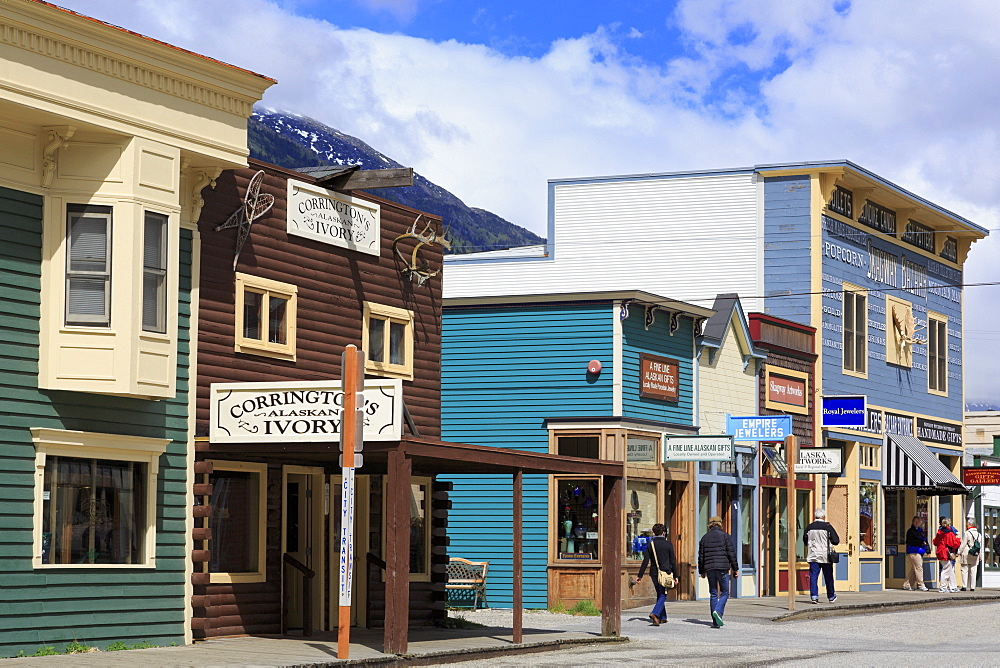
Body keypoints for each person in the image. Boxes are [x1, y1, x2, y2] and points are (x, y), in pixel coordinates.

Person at [698, 516, 739, 628]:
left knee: (714, 593)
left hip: (710, 568)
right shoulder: (726, 537)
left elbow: (701, 556)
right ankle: (719, 612)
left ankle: (715, 621)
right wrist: (735, 569)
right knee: (725, 592)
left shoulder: (704, 538)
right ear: (720, 524)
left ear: (710, 525)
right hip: (723, 568)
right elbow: (731, 554)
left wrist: (701, 571)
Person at [636, 522, 677, 626]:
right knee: (663, 594)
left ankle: (662, 617)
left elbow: (645, 561)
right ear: (663, 532)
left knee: (660, 593)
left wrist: (639, 575)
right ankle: (655, 613)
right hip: (665, 572)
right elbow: (673, 561)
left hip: (654, 572)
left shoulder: (651, 544)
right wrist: (676, 576)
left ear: (654, 532)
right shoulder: (668, 544)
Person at [804, 508, 840, 604]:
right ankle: (831, 596)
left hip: (813, 555)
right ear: (823, 516)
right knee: (828, 576)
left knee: (813, 576)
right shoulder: (827, 526)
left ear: (815, 516)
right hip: (825, 555)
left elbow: (805, 540)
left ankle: (814, 596)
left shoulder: (809, 527)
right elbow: (836, 540)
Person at [932, 517, 961, 592]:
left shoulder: (939, 532)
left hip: (940, 551)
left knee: (950, 569)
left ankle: (953, 586)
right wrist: (958, 539)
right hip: (946, 552)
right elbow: (954, 544)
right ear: (949, 524)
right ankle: (943, 587)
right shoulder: (949, 533)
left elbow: (935, 542)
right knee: (946, 569)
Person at [903, 516, 929, 591]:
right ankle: (921, 585)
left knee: (914, 569)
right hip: (913, 551)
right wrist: (921, 542)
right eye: (915, 521)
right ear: (913, 522)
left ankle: (907, 585)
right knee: (919, 568)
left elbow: (925, 541)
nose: (917, 522)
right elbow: (909, 541)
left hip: (920, 551)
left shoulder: (921, 531)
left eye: (919, 521)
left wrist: (928, 550)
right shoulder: (910, 531)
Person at [958, 519, 982, 592]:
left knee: (964, 569)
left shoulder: (967, 533)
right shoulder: (979, 534)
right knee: (973, 571)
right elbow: (979, 546)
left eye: (967, 524)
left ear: (970, 524)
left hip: (967, 553)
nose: (966, 525)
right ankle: (972, 587)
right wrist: (980, 556)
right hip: (975, 554)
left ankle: (964, 586)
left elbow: (963, 544)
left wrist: (958, 552)